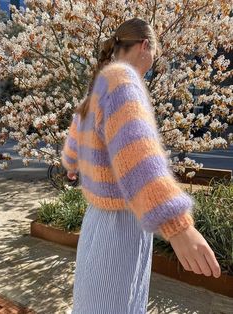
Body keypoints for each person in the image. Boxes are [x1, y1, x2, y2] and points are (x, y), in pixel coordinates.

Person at [61, 17, 221, 314]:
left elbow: (75, 140)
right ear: (145, 46)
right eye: (154, 53)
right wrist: (178, 227)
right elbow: (137, 157)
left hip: (96, 222)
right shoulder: (122, 81)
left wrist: (72, 165)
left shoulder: (99, 85)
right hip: (120, 227)